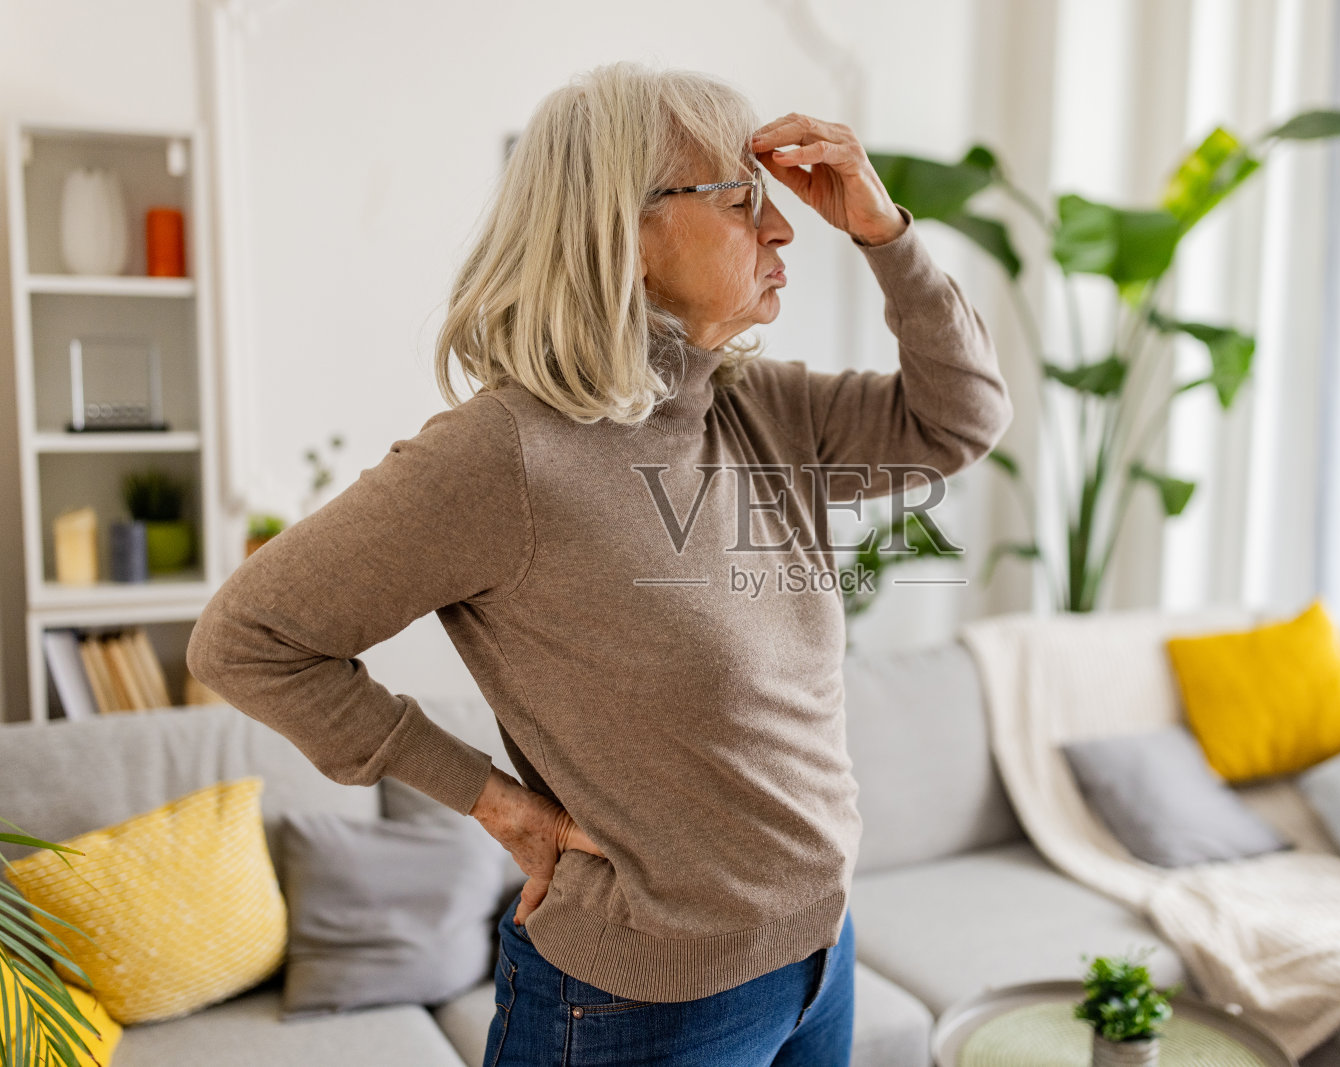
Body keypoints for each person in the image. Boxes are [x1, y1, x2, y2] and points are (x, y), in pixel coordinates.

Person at [186, 59, 1012, 1067]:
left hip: (818, 955)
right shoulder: (506, 454)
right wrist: (494, 801)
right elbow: (247, 639)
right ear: (623, 227)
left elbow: (957, 417)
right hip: (639, 1007)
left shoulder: (757, 405)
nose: (785, 228)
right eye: (743, 200)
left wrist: (886, 234)